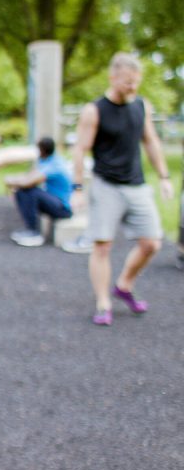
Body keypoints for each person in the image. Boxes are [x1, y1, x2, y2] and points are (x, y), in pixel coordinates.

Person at [71, 52, 174, 327]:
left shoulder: (141, 105)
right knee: (102, 245)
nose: (132, 87)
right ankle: (103, 302)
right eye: (127, 82)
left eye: (135, 82)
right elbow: (80, 149)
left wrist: (164, 176)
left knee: (152, 243)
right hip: (106, 184)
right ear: (112, 77)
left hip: (137, 184)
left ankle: (124, 285)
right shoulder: (95, 110)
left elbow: (150, 141)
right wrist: (77, 187)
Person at [3, 136, 73, 247]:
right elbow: (29, 176)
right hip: (55, 201)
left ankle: (33, 232)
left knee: (29, 191)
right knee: (22, 191)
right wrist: (16, 181)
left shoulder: (54, 164)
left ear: (42, 149)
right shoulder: (46, 160)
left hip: (63, 208)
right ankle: (30, 229)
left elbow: (29, 182)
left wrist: (11, 181)